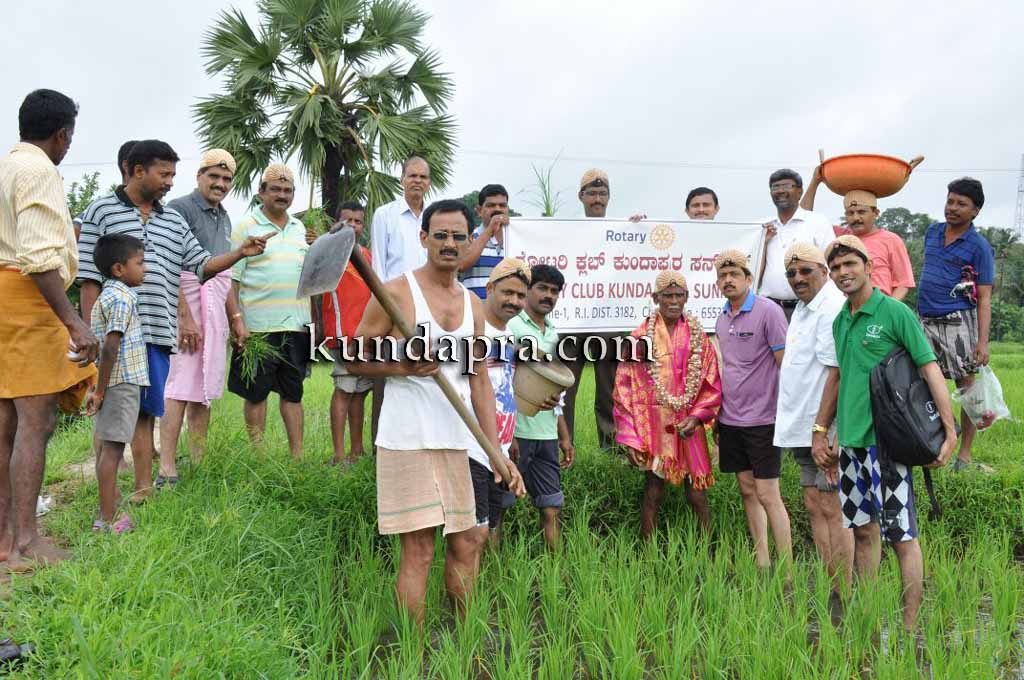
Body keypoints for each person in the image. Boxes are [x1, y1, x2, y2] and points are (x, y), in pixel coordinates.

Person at [348, 199, 525, 624]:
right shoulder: (395, 293)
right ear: (423, 238)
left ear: (469, 242)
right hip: (407, 438)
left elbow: (478, 378)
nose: (449, 244)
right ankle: (415, 648)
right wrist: (401, 366)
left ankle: (464, 641)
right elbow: (353, 358)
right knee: (420, 549)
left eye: (458, 237)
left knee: (467, 541)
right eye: (440, 235)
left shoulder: (473, 304)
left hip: (460, 441)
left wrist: (496, 449)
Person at [79, 140, 272, 500]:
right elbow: (89, 277)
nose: (170, 182)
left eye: (173, 174)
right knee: (110, 413)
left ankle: (142, 488)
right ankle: (105, 493)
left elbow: (201, 265)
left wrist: (239, 253)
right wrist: (90, 332)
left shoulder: (172, 219)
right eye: (164, 174)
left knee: (146, 414)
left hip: (157, 333)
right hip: (115, 337)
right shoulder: (101, 210)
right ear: (139, 171)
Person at [824, 234, 957, 629]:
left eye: (850, 264)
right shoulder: (841, 319)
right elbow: (842, 378)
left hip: (889, 446)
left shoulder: (894, 312)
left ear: (868, 266)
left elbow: (929, 367)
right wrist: (827, 429)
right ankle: (865, 617)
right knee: (863, 530)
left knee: (901, 536)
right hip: (852, 445)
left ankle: (910, 627)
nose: (842, 273)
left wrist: (948, 431)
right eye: (835, 267)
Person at [0, 89, 99, 568]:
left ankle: (4, 541)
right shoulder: (39, 170)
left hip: (6, 297)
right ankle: (25, 542)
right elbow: (39, 258)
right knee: (34, 423)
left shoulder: (7, 165)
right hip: (28, 298)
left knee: (6, 425)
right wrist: (73, 320)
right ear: (62, 134)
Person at [614, 270, 721, 540]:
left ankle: (709, 550)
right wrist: (630, 437)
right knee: (653, 489)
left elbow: (711, 381)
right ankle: (647, 552)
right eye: (667, 296)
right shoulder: (640, 338)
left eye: (679, 295)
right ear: (655, 298)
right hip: (655, 426)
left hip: (690, 424)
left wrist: (697, 416)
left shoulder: (698, 337)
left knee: (697, 493)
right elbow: (624, 389)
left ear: (687, 297)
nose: (673, 301)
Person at [773, 242, 853, 597]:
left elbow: (836, 373)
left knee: (832, 507)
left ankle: (845, 591)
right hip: (803, 426)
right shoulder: (804, 309)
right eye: (791, 273)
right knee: (813, 504)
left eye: (805, 270)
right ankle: (829, 584)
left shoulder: (831, 307)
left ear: (824, 271)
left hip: (823, 427)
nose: (798, 278)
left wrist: (823, 430)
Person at [159, 149, 244, 480]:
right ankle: (166, 467)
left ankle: (197, 462)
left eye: (226, 179)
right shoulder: (180, 209)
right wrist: (185, 318)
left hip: (215, 312)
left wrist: (236, 320)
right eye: (214, 177)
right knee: (178, 386)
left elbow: (222, 276)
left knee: (203, 390)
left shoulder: (224, 217)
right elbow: (169, 266)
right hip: (186, 309)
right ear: (199, 176)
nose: (220, 184)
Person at [714, 249, 792, 569]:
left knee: (768, 493)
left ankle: (786, 567)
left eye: (735, 275)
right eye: (723, 276)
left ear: (749, 278)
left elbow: (784, 364)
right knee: (747, 490)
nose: (728, 280)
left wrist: (785, 412)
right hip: (731, 418)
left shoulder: (768, 311)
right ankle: (762, 559)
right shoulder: (721, 317)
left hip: (763, 418)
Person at [227, 164, 311, 459]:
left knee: (293, 393)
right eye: (275, 189)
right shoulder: (245, 226)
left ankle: (297, 457)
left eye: (287, 191)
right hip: (257, 327)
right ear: (261, 192)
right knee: (256, 393)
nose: (282, 195)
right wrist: (236, 321)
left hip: (296, 326)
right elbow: (230, 280)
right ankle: (258, 456)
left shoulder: (300, 229)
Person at [562, 169, 645, 450]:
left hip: (609, 320)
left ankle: (611, 450)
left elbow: (640, 262)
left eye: (602, 193)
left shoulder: (623, 229)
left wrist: (640, 228)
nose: (597, 198)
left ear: (608, 197)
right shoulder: (566, 231)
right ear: (581, 197)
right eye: (592, 193)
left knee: (609, 390)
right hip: (572, 322)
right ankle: (563, 447)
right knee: (565, 389)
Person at [917, 178, 995, 471]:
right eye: (950, 201)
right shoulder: (933, 232)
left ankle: (964, 454)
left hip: (958, 320)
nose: (953, 208)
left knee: (967, 386)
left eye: (961, 204)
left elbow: (984, 297)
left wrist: (982, 342)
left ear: (975, 211)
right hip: (924, 319)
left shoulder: (979, 247)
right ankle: (938, 434)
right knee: (922, 380)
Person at [468, 258, 534, 549]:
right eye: (507, 292)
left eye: (520, 295)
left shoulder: (507, 335)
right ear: (489, 288)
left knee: (492, 523)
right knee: (473, 534)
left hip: (499, 449)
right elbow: (469, 393)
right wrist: (494, 449)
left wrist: (509, 440)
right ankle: (465, 594)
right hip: (474, 449)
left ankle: (485, 588)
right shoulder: (472, 331)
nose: (514, 301)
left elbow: (502, 390)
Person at [507, 264, 575, 550]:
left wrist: (564, 435)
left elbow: (553, 392)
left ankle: (555, 575)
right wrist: (506, 434)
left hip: (546, 435)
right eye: (542, 288)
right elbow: (498, 379)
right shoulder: (511, 326)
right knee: (499, 507)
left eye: (554, 291)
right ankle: (490, 577)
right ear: (528, 291)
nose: (548, 295)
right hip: (516, 432)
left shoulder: (553, 333)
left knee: (551, 507)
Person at [84, 234, 148, 534]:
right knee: (112, 450)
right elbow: (110, 347)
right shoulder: (122, 298)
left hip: (112, 382)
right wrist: (100, 390)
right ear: (119, 269)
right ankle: (108, 520)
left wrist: (98, 386)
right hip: (120, 382)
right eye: (140, 262)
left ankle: (105, 509)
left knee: (107, 449)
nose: (144, 268)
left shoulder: (106, 297)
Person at [368, 155, 432, 447]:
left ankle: (421, 443)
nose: (417, 181)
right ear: (402, 179)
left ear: (429, 182)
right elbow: (379, 267)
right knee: (389, 378)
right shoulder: (386, 215)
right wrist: (386, 311)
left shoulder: (434, 215)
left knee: (427, 377)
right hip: (394, 310)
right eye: (412, 175)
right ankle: (381, 448)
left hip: (430, 312)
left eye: (423, 177)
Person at [801, 170, 915, 300]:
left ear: (876, 213)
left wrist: (886, 310)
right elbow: (805, 219)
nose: (856, 218)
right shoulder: (838, 237)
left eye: (861, 212)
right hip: (844, 309)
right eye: (850, 213)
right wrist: (815, 182)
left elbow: (903, 284)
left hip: (879, 308)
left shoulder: (891, 240)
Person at [322, 201, 373, 466]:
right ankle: (339, 454)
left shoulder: (367, 254)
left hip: (367, 335)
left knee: (360, 391)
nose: (353, 226)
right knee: (344, 389)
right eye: (347, 220)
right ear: (337, 222)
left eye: (358, 221)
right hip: (342, 333)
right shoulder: (331, 252)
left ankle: (357, 451)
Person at [758, 169, 835, 321]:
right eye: (775, 187)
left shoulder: (817, 222)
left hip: (810, 307)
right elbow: (752, 272)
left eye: (786, 186)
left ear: (799, 192)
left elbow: (830, 263)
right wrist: (763, 243)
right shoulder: (764, 227)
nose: (780, 191)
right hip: (769, 309)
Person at [458, 184, 509, 298]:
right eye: (491, 205)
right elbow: (461, 265)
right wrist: (490, 230)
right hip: (475, 310)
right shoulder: (469, 237)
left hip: (509, 312)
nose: (497, 209)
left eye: (502, 205)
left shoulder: (516, 241)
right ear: (479, 211)